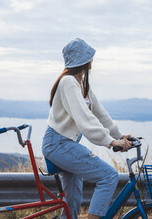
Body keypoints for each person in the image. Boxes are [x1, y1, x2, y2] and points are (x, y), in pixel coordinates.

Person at [42, 38, 132, 219]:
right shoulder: (68, 82)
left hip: (66, 144)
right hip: (58, 144)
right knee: (109, 176)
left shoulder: (82, 85)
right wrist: (111, 142)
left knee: (73, 201)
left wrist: (120, 135)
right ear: (84, 61)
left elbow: (101, 115)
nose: (92, 60)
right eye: (90, 57)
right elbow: (85, 119)